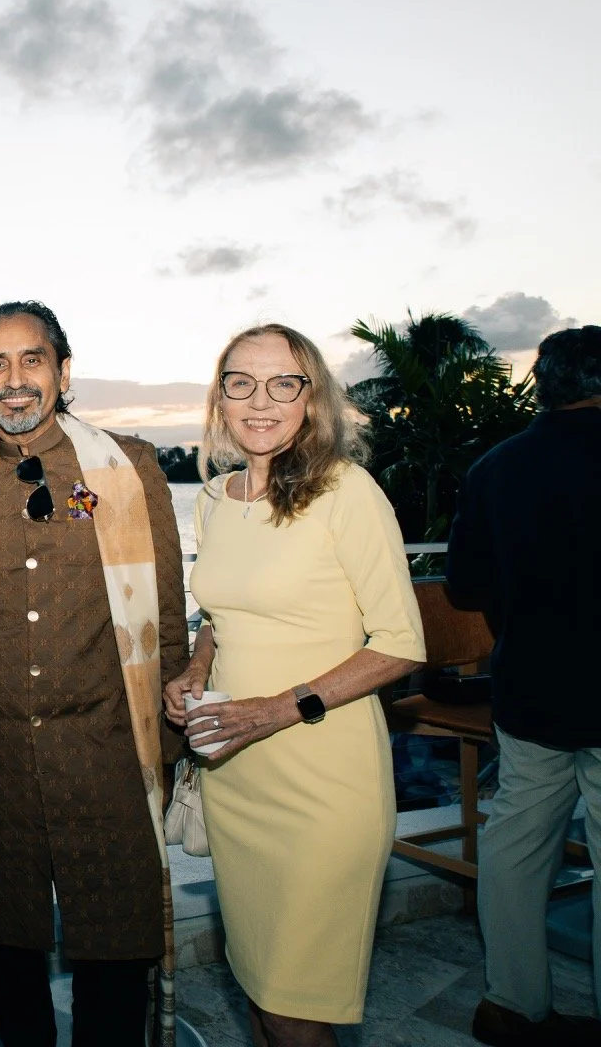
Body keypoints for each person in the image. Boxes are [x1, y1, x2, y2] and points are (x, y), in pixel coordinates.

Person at [0, 300, 186, 1047]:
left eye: (32, 360)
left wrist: (172, 752)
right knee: (9, 957)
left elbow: (168, 614)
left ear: (63, 370)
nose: (15, 380)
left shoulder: (131, 469)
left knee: (116, 960)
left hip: (109, 760)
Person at [163, 324, 426, 1047]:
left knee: (294, 1006)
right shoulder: (216, 497)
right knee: (259, 988)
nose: (261, 401)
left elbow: (402, 644)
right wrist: (193, 669)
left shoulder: (346, 492)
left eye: (284, 383)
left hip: (321, 781)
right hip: (236, 781)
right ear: (221, 397)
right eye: (241, 382)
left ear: (312, 399)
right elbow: (220, 616)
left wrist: (277, 709)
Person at [446, 325, 601, 1047]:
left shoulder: (495, 468)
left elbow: (467, 584)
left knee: (513, 842)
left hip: (532, 684)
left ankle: (510, 1003)